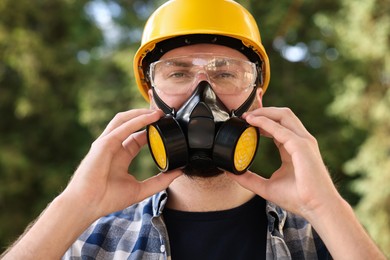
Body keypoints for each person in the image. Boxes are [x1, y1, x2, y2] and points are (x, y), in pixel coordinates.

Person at [2, 0, 385, 259]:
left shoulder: (325, 237)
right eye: (178, 73)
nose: (203, 93)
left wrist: (325, 207)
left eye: (225, 73)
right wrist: (75, 206)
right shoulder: (94, 238)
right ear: (151, 97)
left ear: (258, 97)